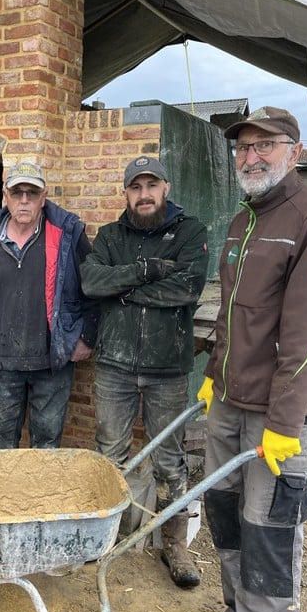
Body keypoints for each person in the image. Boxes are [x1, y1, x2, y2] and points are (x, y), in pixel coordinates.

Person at [191, 107, 307, 612]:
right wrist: (216, 373)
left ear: (295, 152)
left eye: (265, 145)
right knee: (227, 514)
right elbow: (233, 313)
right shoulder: (245, 218)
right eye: (243, 148)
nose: (251, 156)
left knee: (270, 527)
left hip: (282, 413)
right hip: (234, 399)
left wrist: (285, 423)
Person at [80, 156, 209, 588]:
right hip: (114, 365)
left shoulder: (190, 232)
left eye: (151, 185)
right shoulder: (110, 235)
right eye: (136, 187)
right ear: (126, 193)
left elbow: (187, 289)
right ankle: (105, 535)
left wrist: (125, 291)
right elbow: (91, 283)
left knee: (169, 459)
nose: (144, 194)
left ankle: (174, 543)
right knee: (109, 454)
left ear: (165, 187)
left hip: (167, 368)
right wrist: (145, 271)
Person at [0, 162, 97, 449]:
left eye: (32, 193)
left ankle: (40, 495)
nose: (24, 200)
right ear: (5, 195)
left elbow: (92, 288)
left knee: (47, 440)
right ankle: (6, 494)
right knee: (1, 438)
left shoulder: (68, 234)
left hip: (52, 358)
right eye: (17, 193)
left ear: (44, 196)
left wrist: (87, 336)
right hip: (3, 359)